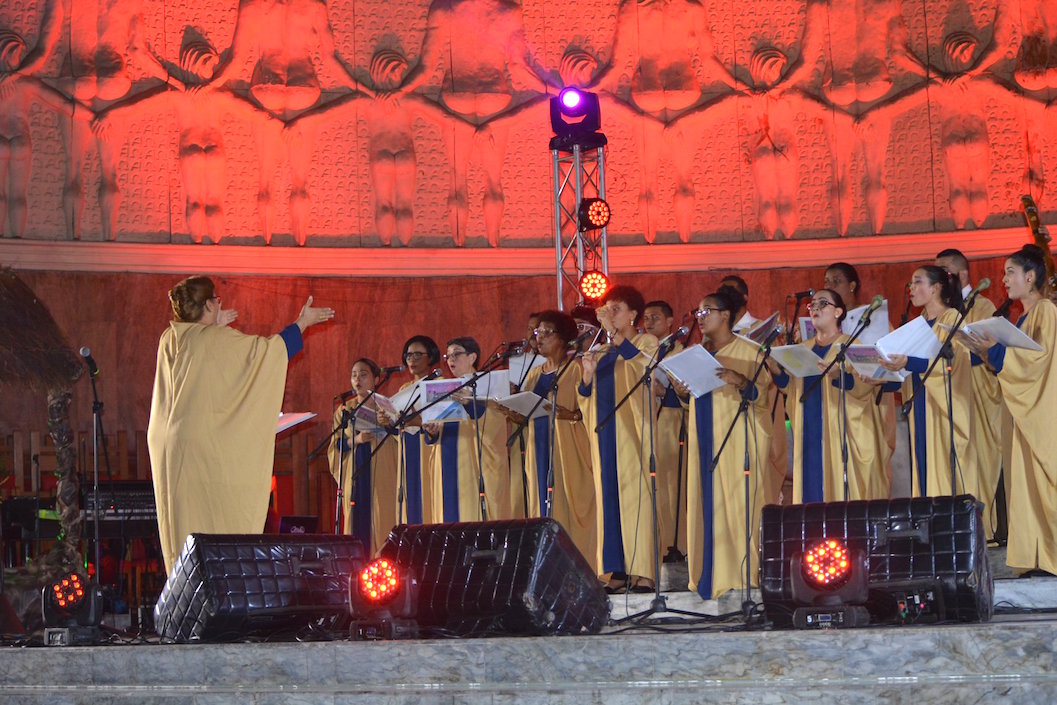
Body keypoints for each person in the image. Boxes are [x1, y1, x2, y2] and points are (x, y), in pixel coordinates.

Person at [147, 276, 335, 574]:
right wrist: (302, 323)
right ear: (208, 303)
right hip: (201, 447)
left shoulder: (170, 338)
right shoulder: (215, 340)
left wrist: (212, 323)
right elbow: (266, 354)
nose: (220, 302)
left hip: (169, 446)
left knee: (183, 523)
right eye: (215, 299)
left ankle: (184, 587)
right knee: (214, 521)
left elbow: (197, 363)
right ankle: (220, 582)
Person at [962, 245, 1057, 576]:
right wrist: (988, 354)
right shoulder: (1024, 316)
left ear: (1030, 277)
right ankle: (1036, 558)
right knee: (1027, 486)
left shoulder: (1046, 310)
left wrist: (997, 352)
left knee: (1045, 486)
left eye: (1010, 273)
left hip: (1043, 414)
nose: (1004, 280)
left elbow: (1038, 361)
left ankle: (1050, 556)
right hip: (1024, 414)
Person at [681, 289, 772, 598]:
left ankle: (741, 575)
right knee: (705, 505)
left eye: (708, 311)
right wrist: (683, 389)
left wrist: (741, 380)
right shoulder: (696, 354)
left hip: (736, 443)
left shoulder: (750, 351)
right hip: (704, 438)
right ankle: (707, 575)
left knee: (737, 506)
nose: (701, 317)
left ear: (726, 316)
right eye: (698, 312)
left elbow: (763, 399)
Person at [578, 284, 659, 592]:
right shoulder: (600, 350)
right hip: (605, 433)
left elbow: (643, 367)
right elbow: (585, 397)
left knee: (637, 498)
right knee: (609, 499)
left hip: (633, 431)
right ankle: (617, 570)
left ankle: (644, 572)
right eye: (607, 310)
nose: (610, 315)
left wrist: (613, 332)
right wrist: (586, 377)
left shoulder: (646, 341)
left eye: (616, 310)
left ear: (633, 315)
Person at [771, 289, 881, 502]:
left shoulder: (852, 346)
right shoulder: (802, 349)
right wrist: (776, 371)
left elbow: (865, 387)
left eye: (823, 303)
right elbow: (792, 390)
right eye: (812, 305)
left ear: (838, 312)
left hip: (839, 435)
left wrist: (838, 376)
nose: (816, 308)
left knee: (837, 498)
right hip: (808, 436)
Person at [507, 310, 596, 567]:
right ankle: (547, 566)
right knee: (542, 505)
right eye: (538, 332)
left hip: (568, 448)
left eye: (547, 332)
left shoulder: (576, 369)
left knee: (570, 505)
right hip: (539, 448)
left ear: (564, 338)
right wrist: (510, 409)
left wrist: (571, 414)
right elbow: (526, 414)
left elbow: (587, 408)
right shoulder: (534, 375)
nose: (540, 337)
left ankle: (579, 565)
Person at [879, 266, 970, 498]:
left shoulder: (951, 317)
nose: (911, 288)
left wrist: (909, 360)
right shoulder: (917, 323)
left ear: (936, 288)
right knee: (923, 469)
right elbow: (907, 371)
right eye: (910, 283)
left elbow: (953, 364)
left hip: (941, 409)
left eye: (918, 282)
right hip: (920, 404)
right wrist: (883, 373)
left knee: (942, 473)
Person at [936, 248, 1002, 539]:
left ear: (963, 275)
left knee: (978, 459)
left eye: (946, 272)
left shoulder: (983, 306)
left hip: (977, 393)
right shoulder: (940, 310)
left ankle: (982, 530)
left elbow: (989, 350)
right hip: (949, 395)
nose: (941, 278)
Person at [424, 336, 509, 522]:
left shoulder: (489, 383)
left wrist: (470, 403)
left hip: (475, 464)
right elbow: (439, 424)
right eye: (448, 356)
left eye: (456, 354)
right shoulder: (443, 387)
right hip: (447, 462)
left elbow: (495, 424)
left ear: (472, 357)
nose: (451, 360)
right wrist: (432, 431)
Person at [328, 358, 399, 555]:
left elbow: (401, 437)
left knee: (382, 519)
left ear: (376, 378)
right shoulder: (344, 410)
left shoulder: (387, 406)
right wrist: (356, 440)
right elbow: (337, 445)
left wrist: (387, 424)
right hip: (356, 471)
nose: (357, 379)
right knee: (357, 522)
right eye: (354, 375)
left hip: (383, 471)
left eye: (363, 374)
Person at [380, 335, 441, 525]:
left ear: (430, 357)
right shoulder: (405, 388)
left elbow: (441, 420)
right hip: (408, 448)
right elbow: (399, 427)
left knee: (427, 500)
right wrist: (387, 422)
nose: (412, 360)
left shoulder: (439, 384)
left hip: (429, 450)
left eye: (417, 354)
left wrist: (419, 420)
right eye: (408, 355)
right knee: (409, 503)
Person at [643, 300, 687, 559]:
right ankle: (661, 543)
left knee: (673, 485)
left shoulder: (679, 350)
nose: (649, 323)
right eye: (646, 318)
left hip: (674, 420)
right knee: (658, 486)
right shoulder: (646, 350)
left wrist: (662, 392)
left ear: (670, 321)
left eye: (655, 317)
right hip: (652, 421)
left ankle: (677, 543)